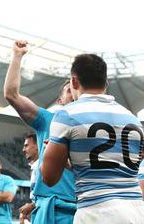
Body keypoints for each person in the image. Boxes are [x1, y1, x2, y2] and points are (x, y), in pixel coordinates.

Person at [41, 54, 144, 223]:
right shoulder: (133, 119)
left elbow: (49, 178)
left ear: (74, 81)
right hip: (137, 211)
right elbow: (123, 164)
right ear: (106, 83)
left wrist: (49, 154)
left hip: (96, 211)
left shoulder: (66, 114)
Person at [3, 40, 76, 224]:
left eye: (76, 87)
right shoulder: (47, 119)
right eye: (68, 89)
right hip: (49, 209)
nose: (73, 90)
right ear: (59, 101)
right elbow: (11, 94)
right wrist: (17, 56)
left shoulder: (93, 126)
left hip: (81, 207)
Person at [19, 133, 38, 224]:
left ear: (37, 146)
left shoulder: (42, 167)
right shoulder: (35, 166)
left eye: (26, 146)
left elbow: (50, 196)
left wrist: (32, 206)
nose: (23, 150)